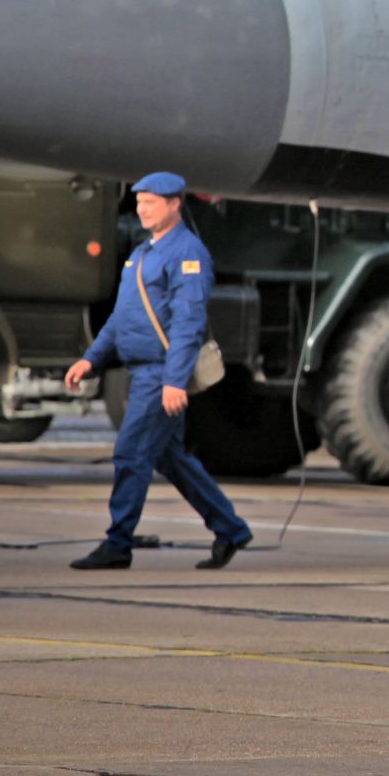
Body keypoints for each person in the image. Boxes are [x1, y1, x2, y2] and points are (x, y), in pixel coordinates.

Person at [63, 173, 251, 571]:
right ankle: (230, 528)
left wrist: (173, 380)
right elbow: (122, 317)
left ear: (174, 204)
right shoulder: (144, 252)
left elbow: (188, 324)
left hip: (159, 374)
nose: (141, 209)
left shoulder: (187, 254)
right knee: (171, 459)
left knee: (130, 454)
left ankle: (118, 544)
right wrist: (91, 358)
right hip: (143, 370)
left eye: (150, 202)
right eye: (139, 202)